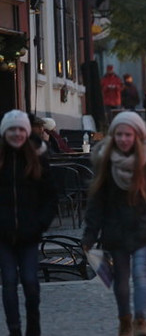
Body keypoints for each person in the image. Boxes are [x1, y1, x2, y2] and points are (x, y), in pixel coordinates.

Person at [81, 111, 146, 336]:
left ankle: (141, 321)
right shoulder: (105, 161)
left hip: (144, 229)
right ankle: (125, 320)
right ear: (113, 136)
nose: (123, 139)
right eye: (119, 134)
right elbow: (96, 202)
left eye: (128, 135)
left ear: (137, 136)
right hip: (115, 232)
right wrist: (90, 234)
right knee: (120, 282)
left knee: (141, 274)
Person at [0, 110, 57, 336]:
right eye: (11, 130)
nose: (16, 134)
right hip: (3, 235)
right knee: (9, 282)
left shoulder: (37, 157)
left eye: (20, 129)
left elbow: (50, 196)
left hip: (29, 233)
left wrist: (40, 224)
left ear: (26, 131)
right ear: (5, 133)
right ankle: (14, 330)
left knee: (31, 282)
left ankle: (34, 326)